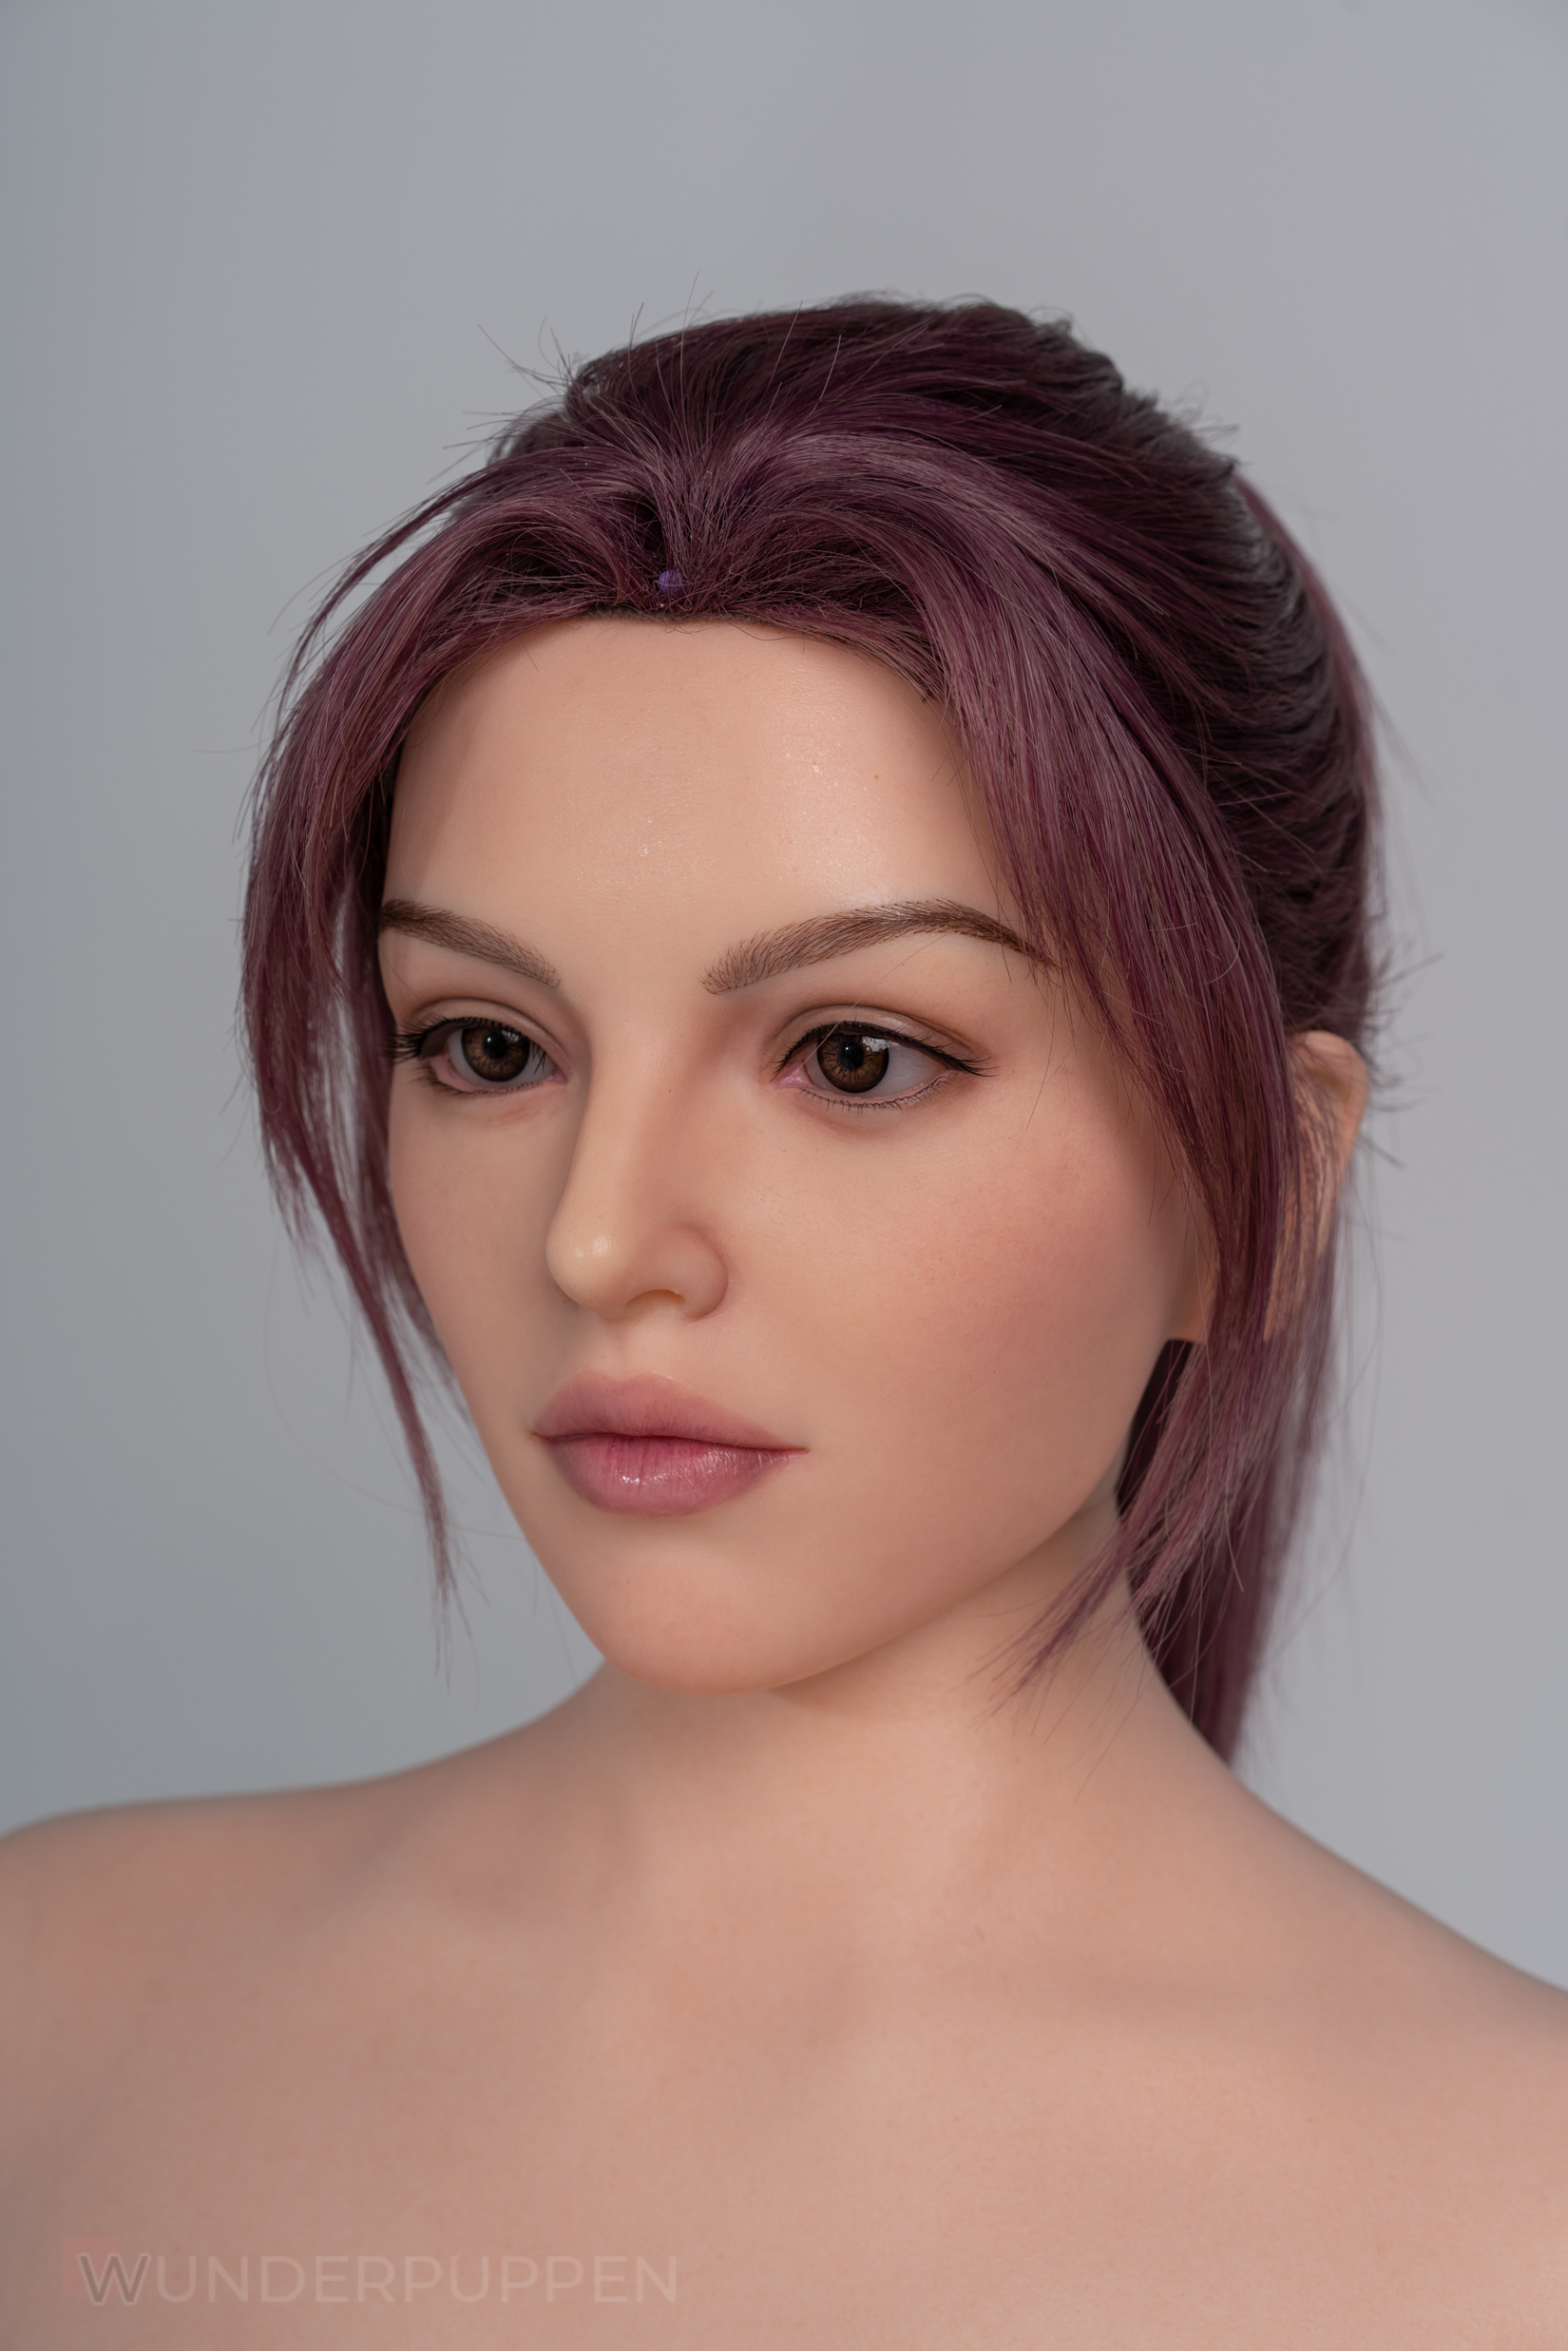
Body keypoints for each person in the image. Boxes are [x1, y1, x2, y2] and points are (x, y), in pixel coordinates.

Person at [3, 299, 1564, 2346]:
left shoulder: (1519, 2216)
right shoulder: (55, 2008)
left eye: (853, 1056)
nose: (599, 1239)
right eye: (487, 1043)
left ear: (1261, 1175)